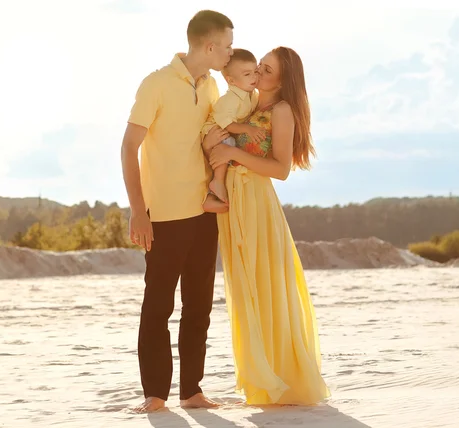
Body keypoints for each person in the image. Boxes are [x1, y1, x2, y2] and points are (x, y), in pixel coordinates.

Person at [120, 10, 234, 413]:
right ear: (208, 45)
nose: (230, 52)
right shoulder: (157, 83)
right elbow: (128, 146)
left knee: (199, 305)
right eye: (227, 45)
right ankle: (155, 394)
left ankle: (191, 390)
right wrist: (138, 211)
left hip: (204, 212)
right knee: (158, 305)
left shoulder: (214, 87)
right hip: (164, 215)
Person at [204, 46, 331, 405]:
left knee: (266, 286)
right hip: (235, 201)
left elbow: (281, 169)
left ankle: (281, 377)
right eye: (260, 65)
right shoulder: (246, 103)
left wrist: (232, 154)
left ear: (283, 78)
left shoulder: (282, 110)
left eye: (268, 69)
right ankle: (259, 378)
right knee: (246, 290)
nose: (259, 71)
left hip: (258, 202)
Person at [201, 48, 264, 211]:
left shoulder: (252, 95)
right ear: (231, 81)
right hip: (214, 130)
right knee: (227, 144)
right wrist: (247, 130)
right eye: (247, 74)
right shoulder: (229, 99)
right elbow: (227, 124)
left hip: (227, 131)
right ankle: (217, 183)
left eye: (255, 71)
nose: (254, 77)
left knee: (230, 146)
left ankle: (215, 192)